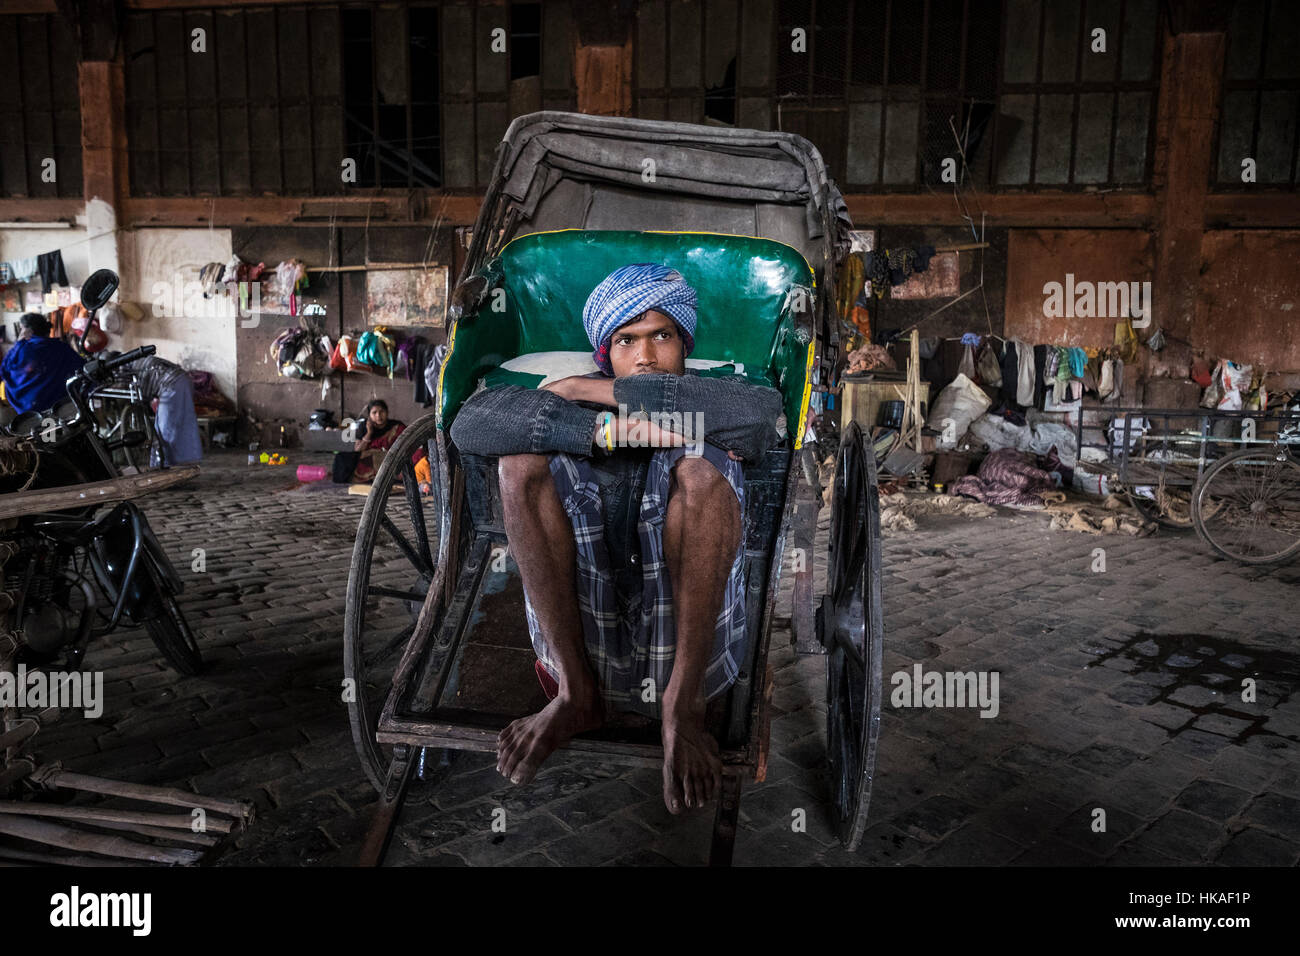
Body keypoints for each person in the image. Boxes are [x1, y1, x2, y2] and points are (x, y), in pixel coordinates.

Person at [450, 263, 785, 815]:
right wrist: (603, 426)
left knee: (703, 467)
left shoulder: (719, 392)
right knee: (519, 463)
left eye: (662, 335)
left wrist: (603, 390)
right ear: (606, 350)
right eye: (626, 340)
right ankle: (575, 695)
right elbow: (471, 425)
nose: (647, 354)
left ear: (684, 343)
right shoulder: (563, 400)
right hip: (584, 638)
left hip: (688, 650)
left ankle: (682, 707)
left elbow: (755, 423)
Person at [124, 354, 203, 466]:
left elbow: (143, 395)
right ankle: (184, 460)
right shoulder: (141, 360)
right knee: (182, 425)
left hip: (173, 385)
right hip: (183, 380)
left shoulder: (137, 369)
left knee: (165, 429)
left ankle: (165, 463)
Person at [0, 313, 85, 415]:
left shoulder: (22, 350)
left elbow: (4, 371)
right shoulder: (62, 348)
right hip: (62, 406)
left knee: (46, 429)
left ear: (28, 331)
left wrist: (18, 343)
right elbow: (82, 368)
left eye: (22, 328)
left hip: (33, 409)